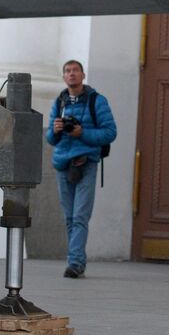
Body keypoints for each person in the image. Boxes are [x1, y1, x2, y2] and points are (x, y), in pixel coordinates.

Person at [44, 59, 117, 278]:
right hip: (63, 164)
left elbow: (110, 132)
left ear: (83, 75)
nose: (72, 74)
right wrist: (56, 130)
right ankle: (77, 261)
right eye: (67, 71)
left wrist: (81, 133)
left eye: (75, 70)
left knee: (79, 216)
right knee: (69, 216)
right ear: (64, 76)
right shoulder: (60, 101)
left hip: (86, 163)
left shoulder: (97, 101)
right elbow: (50, 139)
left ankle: (74, 263)